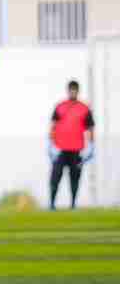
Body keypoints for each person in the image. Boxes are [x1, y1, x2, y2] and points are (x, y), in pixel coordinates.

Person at [49, 79, 95, 211]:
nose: (72, 92)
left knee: (75, 177)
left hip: (77, 149)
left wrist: (91, 146)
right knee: (55, 176)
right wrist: (51, 144)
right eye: (71, 90)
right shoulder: (60, 106)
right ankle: (52, 204)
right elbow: (53, 125)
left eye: (75, 90)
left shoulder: (84, 108)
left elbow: (90, 128)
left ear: (78, 91)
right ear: (68, 91)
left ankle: (73, 204)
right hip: (61, 149)